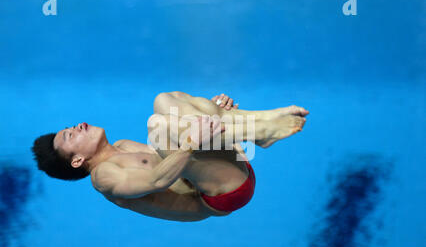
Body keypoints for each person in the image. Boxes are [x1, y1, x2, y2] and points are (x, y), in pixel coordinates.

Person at [32, 92, 308, 222]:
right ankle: (256, 130)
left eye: (70, 128)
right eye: (70, 136)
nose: (77, 126)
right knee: (158, 126)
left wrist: (210, 115)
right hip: (222, 193)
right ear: (77, 160)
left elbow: (181, 148)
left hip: (222, 167)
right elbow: (158, 179)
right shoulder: (104, 178)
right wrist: (194, 138)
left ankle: (256, 129)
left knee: (164, 100)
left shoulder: (123, 145)